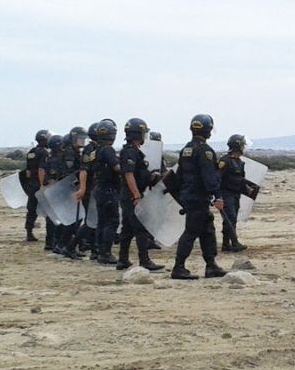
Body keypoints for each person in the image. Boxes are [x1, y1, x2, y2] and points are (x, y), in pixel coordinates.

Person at [171, 114, 227, 280]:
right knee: (191, 231)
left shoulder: (186, 150)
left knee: (207, 230)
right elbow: (209, 176)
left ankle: (211, 265)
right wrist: (218, 195)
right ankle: (178, 267)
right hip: (198, 197)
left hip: (189, 195)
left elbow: (179, 175)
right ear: (207, 129)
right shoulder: (205, 151)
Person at [116, 117, 163, 271]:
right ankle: (144, 260)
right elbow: (129, 175)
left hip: (129, 195)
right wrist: (136, 195)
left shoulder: (133, 151)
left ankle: (123, 260)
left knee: (128, 229)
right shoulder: (130, 152)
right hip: (131, 196)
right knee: (141, 228)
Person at [80, 119, 122, 264]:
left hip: (99, 188)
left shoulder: (95, 151)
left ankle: (97, 251)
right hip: (108, 189)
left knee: (102, 222)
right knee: (112, 221)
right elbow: (117, 167)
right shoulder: (107, 149)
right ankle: (105, 253)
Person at [54, 126, 89, 259]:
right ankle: (63, 245)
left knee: (74, 218)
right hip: (68, 188)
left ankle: (65, 245)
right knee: (72, 219)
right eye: (81, 138)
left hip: (70, 187)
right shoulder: (69, 152)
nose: (83, 140)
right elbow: (69, 173)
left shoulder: (73, 151)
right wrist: (78, 185)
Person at [219, 134, 249, 252]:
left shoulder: (240, 162)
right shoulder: (225, 161)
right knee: (229, 217)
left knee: (233, 218)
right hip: (226, 193)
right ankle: (234, 242)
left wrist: (246, 187)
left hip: (236, 194)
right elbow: (218, 177)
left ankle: (227, 244)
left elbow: (241, 178)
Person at [21, 129, 51, 241]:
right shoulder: (44, 152)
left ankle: (29, 231)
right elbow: (41, 170)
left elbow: (28, 171)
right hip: (40, 184)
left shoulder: (31, 152)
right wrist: (42, 184)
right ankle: (50, 235)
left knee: (32, 209)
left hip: (31, 184)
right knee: (49, 209)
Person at [41, 133, 64, 251]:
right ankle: (54, 242)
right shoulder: (56, 160)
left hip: (50, 190)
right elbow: (53, 178)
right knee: (55, 218)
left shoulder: (49, 158)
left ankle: (50, 242)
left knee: (51, 218)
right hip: (55, 190)